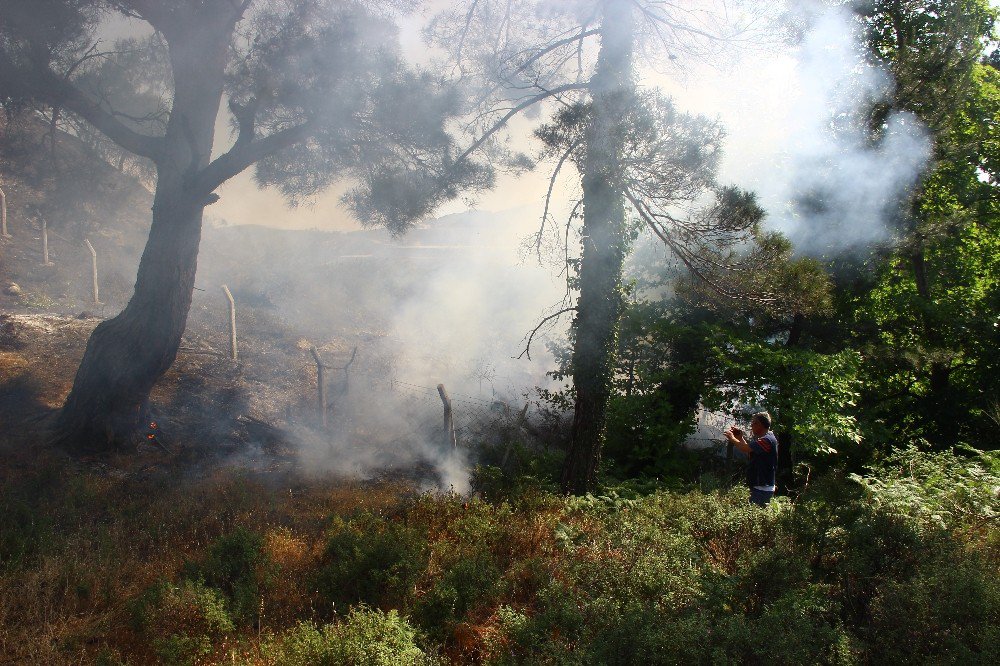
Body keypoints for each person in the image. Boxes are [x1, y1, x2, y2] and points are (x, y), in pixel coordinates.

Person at [724, 412, 778, 507]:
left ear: (759, 424)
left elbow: (745, 448)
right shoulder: (765, 439)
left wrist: (732, 438)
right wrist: (740, 438)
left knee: (754, 517)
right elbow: (750, 452)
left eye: (753, 423)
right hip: (760, 487)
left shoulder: (767, 440)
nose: (751, 426)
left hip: (762, 489)